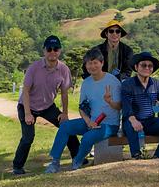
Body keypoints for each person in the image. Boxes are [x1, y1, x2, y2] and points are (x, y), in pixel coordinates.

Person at [45, 48, 121, 172]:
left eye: (95, 62)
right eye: (89, 63)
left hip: (109, 124)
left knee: (87, 137)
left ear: (102, 63)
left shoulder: (113, 81)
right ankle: (54, 162)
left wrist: (110, 102)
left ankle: (77, 161)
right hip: (91, 121)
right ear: (86, 66)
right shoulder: (86, 83)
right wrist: (88, 121)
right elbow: (82, 107)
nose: (92, 66)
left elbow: (120, 106)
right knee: (65, 127)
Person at [12, 35, 79, 175]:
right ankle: (17, 166)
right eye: (49, 49)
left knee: (66, 127)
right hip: (27, 106)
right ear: (44, 51)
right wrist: (27, 113)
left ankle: (78, 157)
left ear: (60, 51)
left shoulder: (64, 69)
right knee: (28, 137)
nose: (52, 52)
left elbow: (64, 93)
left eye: (56, 49)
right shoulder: (34, 67)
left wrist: (65, 113)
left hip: (48, 106)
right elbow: (25, 90)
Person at [121, 51, 159, 159]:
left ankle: (158, 156)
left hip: (150, 121)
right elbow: (126, 106)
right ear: (136, 67)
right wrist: (134, 120)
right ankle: (136, 156)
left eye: (150, 66)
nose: (147, 68)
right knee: (130, 126)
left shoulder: (157, 83)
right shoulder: (127, 84)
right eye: (143, 65)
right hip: (132, 120)